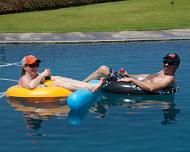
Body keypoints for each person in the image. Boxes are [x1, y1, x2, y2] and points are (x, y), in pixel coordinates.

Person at [83, 53, 180, 92]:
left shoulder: (169, 78)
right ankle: (82, 84)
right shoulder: (162, 72)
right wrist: (129, 75)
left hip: (136, 87)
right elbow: (145, 76)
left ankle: (80, 85)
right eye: (165, 61)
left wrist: (131, 80)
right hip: (134, 83)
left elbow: (151, 88)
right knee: (103, 69)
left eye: (170, 63)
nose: (166, 64)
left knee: (103, 69)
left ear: (176, 66)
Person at [18, 55, 104, 92]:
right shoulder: (24, 79)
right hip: (36, 106)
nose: (35, 67)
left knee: (58, 78)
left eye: (37, 64)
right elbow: (31, 86)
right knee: (58, 82)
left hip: (46, 96)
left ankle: (85, 84)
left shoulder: (35, 76)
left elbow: (46, 79)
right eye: (32, 65)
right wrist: (42, 75)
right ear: (25, 67)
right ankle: (91, 87)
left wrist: (49, 76)